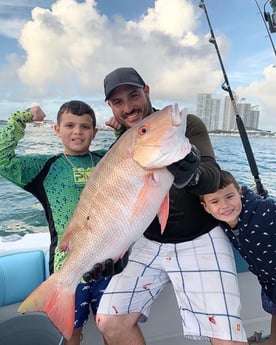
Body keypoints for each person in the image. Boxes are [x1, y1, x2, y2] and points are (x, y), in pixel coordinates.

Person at [95, 67, 249, 345]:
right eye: (118, 102)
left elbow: (211, 175)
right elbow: (117, 212)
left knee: (228, 337)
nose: (128, 107)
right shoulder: (119, 148)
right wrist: (110, 254)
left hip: (200, 237)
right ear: (110, 107)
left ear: (147, 91)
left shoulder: (186, 125)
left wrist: (191, 174)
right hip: (149, 242)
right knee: (109, 322)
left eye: (134, 95)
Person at [0, 100, 113, 345]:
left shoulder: (107, 160)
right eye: (70, 125)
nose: (77, 132)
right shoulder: (46, 167)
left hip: (110, 265)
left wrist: (120, 129)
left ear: (95, 132)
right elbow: (2, 159)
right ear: (56, 129)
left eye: (85, 126)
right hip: (68, 270)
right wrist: (22, 118)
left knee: (112, 329)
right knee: (71, 333)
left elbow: (134, 151)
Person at [200, 170, 276, 345]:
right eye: (215, 201)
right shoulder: (221, 222)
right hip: (268, 280)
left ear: (240, 192)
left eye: (229, 196)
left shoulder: (265, 211)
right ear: (206, 207)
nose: (224, 205)